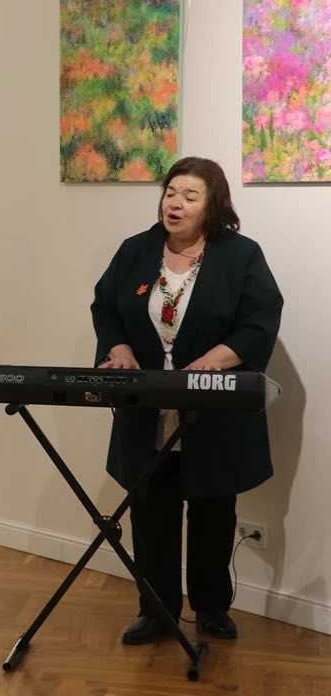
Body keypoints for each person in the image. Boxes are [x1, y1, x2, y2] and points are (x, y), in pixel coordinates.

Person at [91, 156, 283, 644]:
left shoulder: (241, 255)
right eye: (170, 193)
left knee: (212, 510)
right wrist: (119, 350)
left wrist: (212, 362)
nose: (174, 204)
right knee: (150, 510)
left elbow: (260, 319)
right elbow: (105, 307)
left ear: (212, 205)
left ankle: (211, 607)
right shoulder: (136, 250)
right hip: (146, 413)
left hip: (213, 411)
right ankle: (156, 611)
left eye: (189, 196)